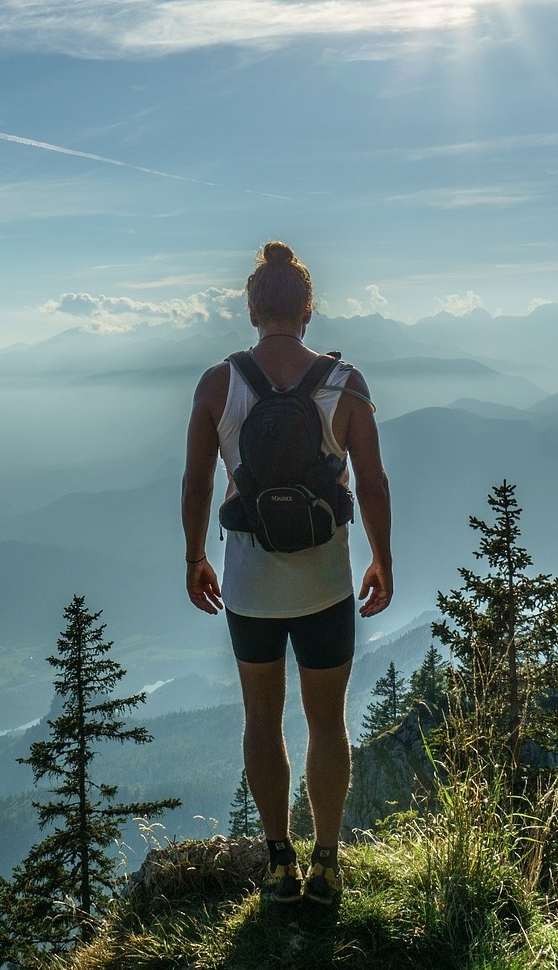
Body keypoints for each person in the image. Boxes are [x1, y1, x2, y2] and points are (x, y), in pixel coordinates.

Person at [181, 242, 393, 906]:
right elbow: (373, 481)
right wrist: (382, 556)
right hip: (326, 583)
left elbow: (196, 478)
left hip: (251, 587)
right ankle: (327, 862)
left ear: (252, 309)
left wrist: (195, 555)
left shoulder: (220, 383)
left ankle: (279, 864)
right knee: (327, 723)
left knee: (262, 719)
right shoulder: (346, 383)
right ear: (308, 309)